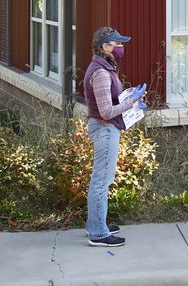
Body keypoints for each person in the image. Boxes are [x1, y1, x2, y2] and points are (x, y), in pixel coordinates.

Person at [84, 26, 141, 247]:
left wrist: (130, 98)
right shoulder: (100, 73)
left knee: (100, 180)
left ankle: (95, 225)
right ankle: (98, 234)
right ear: (104, 46)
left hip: (105, 128)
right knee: (101, 181)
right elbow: (107, 111)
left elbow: (110, 102)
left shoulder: (104, 67)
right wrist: (132, 102)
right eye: (116, 43)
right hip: (105, 129)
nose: (120, 46)